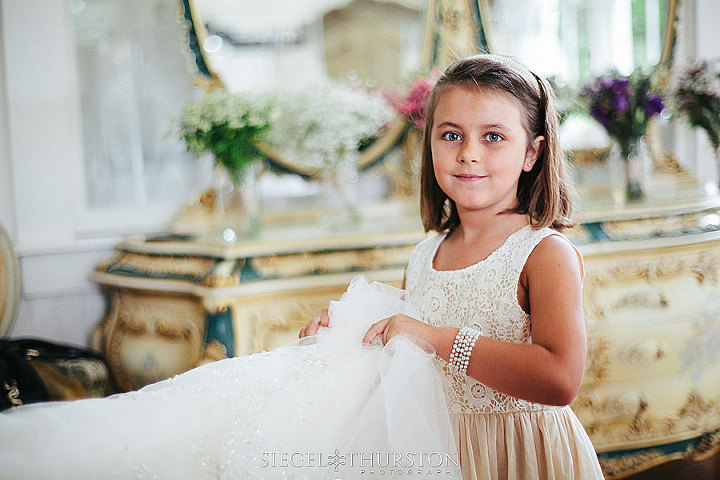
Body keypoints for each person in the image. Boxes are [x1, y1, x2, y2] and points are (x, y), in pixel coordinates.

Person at [302, 54, 604, 479]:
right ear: (430, 143)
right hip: (440, 455)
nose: (468, 154)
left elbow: (560, 380)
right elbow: (405, 363)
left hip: (519, 455)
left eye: (494, 137)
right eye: (450, 135)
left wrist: (440, 339)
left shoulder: (543, 252)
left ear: (532, 153)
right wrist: (346, 338)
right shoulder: (424, 256)